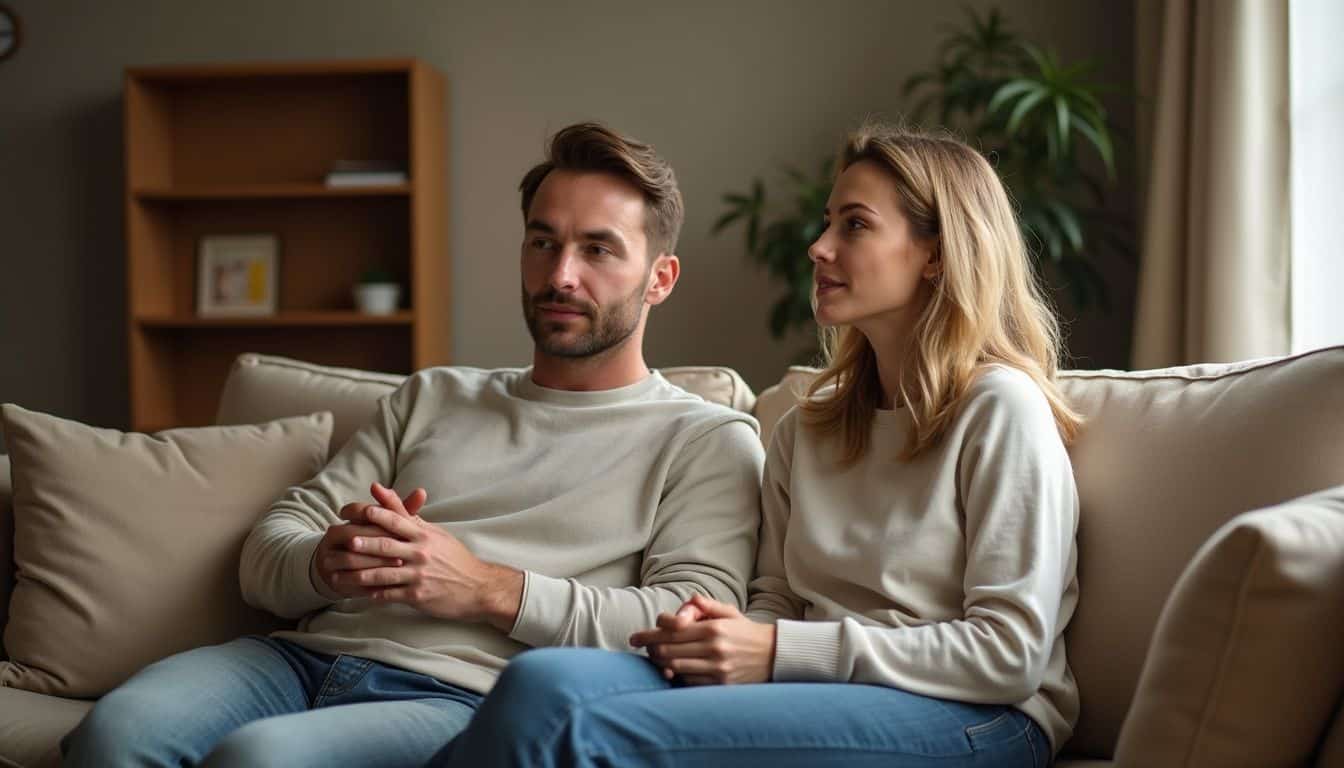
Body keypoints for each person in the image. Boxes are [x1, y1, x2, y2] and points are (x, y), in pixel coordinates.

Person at [61, 123, 765, 768]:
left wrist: (486, 588)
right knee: (115, 733)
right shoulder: (432, 396)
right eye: (543, 241)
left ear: (659, 279)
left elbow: (689, 623)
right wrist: (323, 564)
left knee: (263, 759)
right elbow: (270, 547)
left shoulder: (706, 437)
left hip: (463, 699)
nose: (560, 275)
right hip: (294, 661)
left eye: (598, 249)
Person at [436, 124, 1083, 768]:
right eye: (826, 223)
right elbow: (774, 599)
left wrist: (776, 651)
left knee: (588, 733)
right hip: (820, 689)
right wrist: (722, 636)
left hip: (979, 717)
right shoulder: (809, 428)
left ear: (936, 254)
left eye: (855, 226)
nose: (819, 247)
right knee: (541, 683)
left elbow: (1009, 654)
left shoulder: (1000, 408)